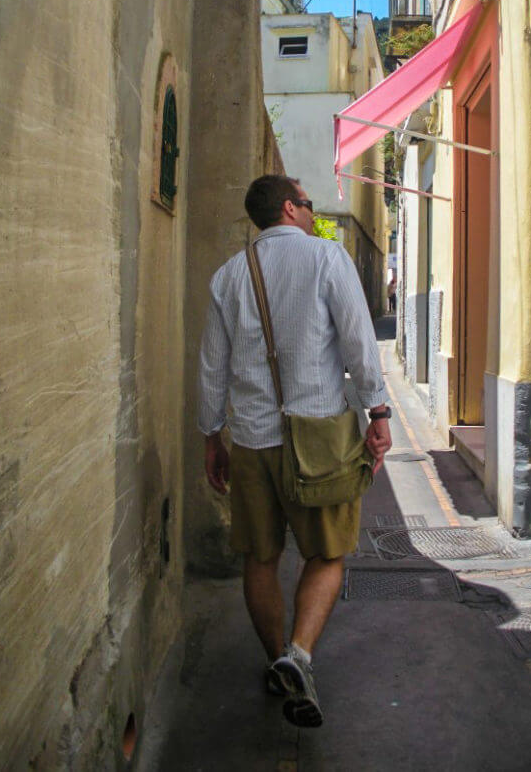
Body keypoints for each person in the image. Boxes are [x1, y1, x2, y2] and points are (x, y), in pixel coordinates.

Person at [198, 174, 393, 728]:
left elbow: (212, 366)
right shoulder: (327, 260)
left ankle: (275, 659)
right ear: (290, 207)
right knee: (327, 553)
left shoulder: (229, 276)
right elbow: (359, 341)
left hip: (253, 441)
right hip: (321, 437)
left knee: (259, 557)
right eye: (308, 205)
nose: (313, 214)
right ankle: (300, 655)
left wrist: (212, 435)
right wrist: (378, 414)